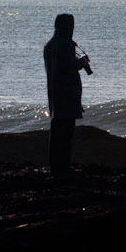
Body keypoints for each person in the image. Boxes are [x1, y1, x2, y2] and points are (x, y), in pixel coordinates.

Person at [43, 13, 90, 177]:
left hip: (55, 94)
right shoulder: (65, 45)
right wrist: (82, 62)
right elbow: (69, 66)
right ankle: (63, 167)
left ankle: (56, 166)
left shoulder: (50, 45)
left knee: (57, 133)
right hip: (67, 94)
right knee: (66, 133)